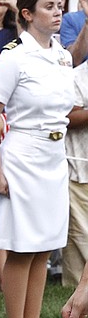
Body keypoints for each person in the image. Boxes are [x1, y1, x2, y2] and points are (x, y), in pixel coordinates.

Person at [0, 0, 73, 318]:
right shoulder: (14, 58)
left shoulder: (63, 56)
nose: (57, 12)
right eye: (49, 6)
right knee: (20, 248)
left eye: (61, 6)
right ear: (28, 14)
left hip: (54, 156)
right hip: (22, 154)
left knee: (42, 247)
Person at [63, 60, 88, 287]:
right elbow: (68, 117)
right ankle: (74, 289)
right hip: (79, 169)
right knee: (79, 237)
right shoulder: (77, 76)